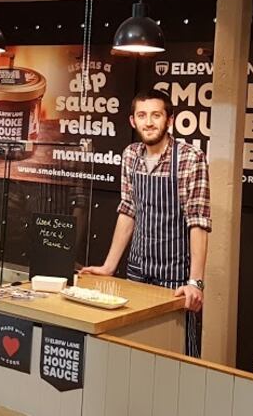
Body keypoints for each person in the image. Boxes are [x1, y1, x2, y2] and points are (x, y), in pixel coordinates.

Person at [81, 88, 211, 357]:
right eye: (142, 115)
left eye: (156, 115)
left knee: (175, 353)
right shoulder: (131, 155)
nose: (149, 122)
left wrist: (195, 282)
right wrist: (108, 267)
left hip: (175, 279)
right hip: (137, 272)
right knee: (134, 349)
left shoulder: (190, 158)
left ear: (169, 120)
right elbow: (128, 211)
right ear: (133, 121)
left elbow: (198, 221)